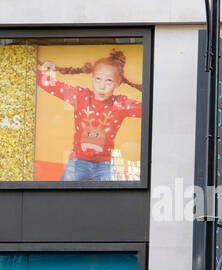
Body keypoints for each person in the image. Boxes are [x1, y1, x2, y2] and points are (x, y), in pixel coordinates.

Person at [37, 51, 144, 181]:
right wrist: (34, 73)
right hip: (78, 161)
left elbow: (150, 109)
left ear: (118, 84)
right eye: (98, 79)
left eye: (109, 81)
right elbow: (55, 87)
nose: (102, 86)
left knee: (113, 194)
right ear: (92, 78)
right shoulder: (81, 97)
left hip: (104, 164)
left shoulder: (120, 104)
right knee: (65, 194)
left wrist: (144, 88)